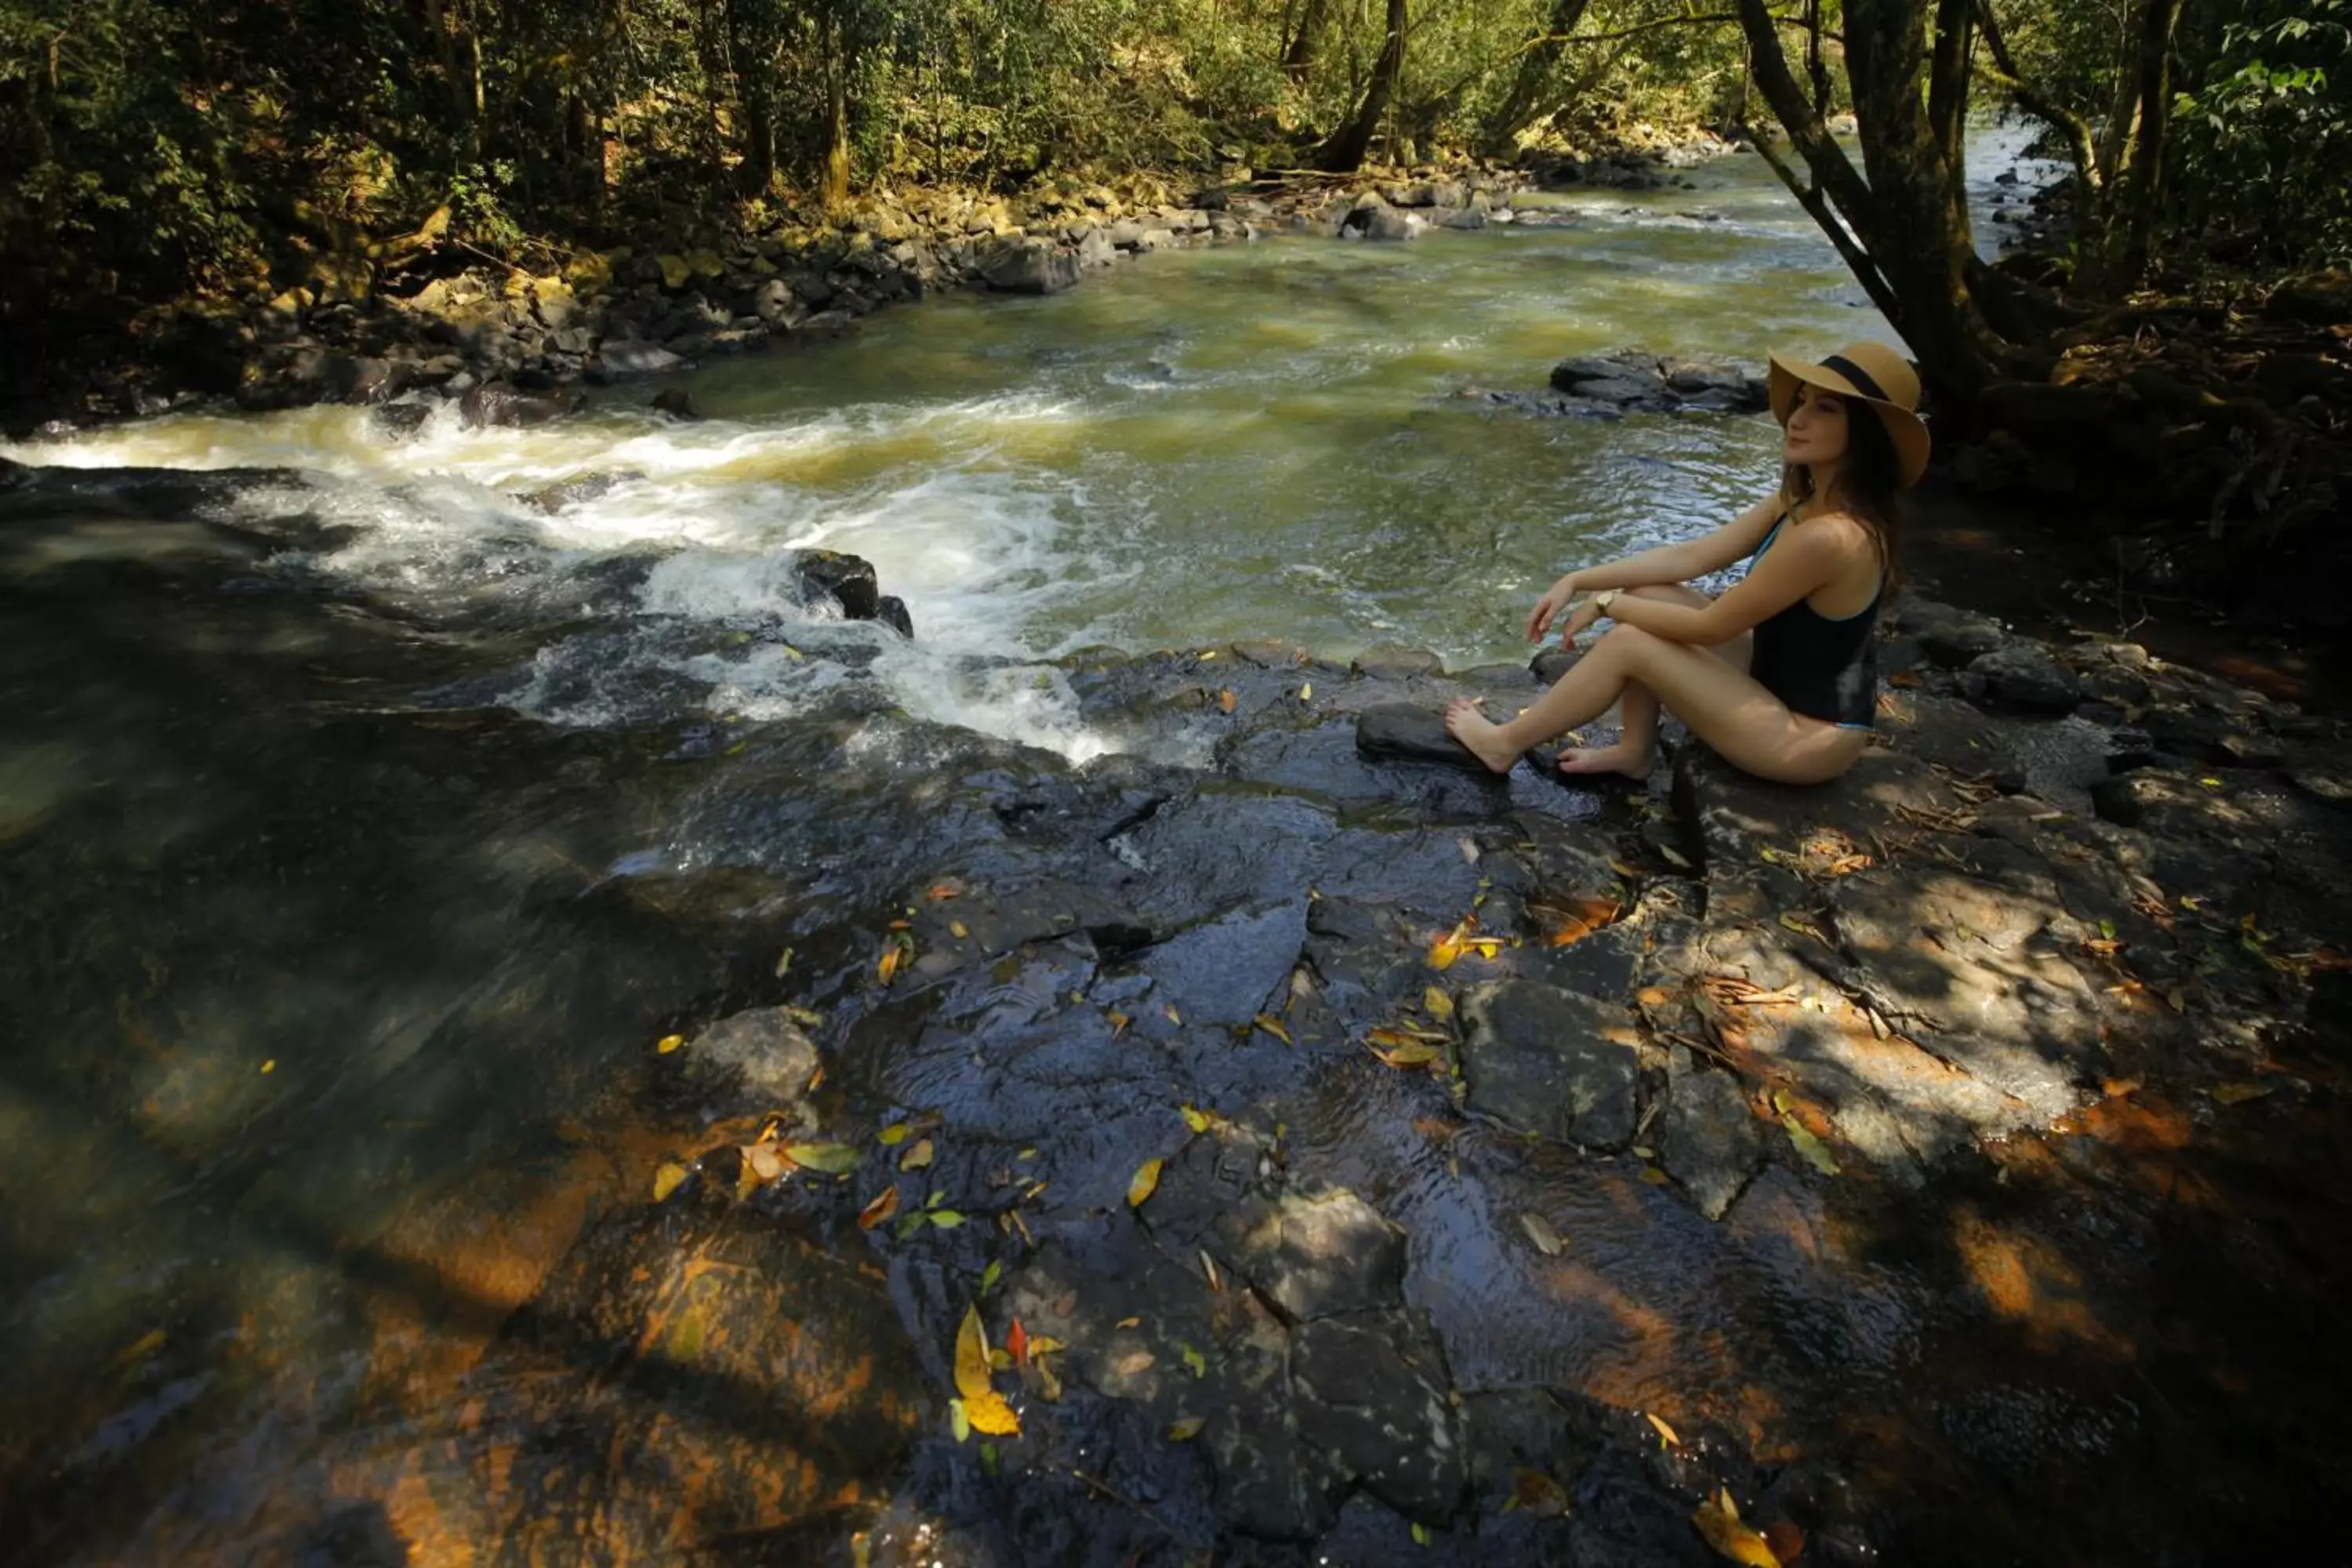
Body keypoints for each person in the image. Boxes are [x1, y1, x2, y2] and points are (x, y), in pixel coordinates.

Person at [1443, 340, 1929, 787]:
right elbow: (1689, 557)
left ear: (1864, 435)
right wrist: (1580, 579)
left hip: (1806, 738)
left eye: (1825, 409)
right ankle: (1635, 752)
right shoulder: (1799, 500)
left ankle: (1502, 745)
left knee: (1632, 641)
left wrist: (1608, 605)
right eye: (1800, 401)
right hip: (1774, 681)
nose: (1798, 419)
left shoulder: (1832, 536)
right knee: (1649, 594)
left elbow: (1711, 626)